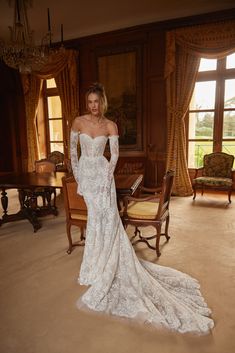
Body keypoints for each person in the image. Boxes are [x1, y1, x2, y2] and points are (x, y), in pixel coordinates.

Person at [70, 82, 214, 334]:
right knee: (95, 221)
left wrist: (107, 175)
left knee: (107, 221)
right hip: (87, 177)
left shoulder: (110, 125)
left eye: (96, 101)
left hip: (102, 178)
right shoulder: (78, 122)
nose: (93, 106)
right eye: (89, 101)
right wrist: (80, 177)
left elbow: (114, 156)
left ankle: (105, 263)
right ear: (87, 102)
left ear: (102, 102)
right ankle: (93, 266)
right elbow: (73, 152)